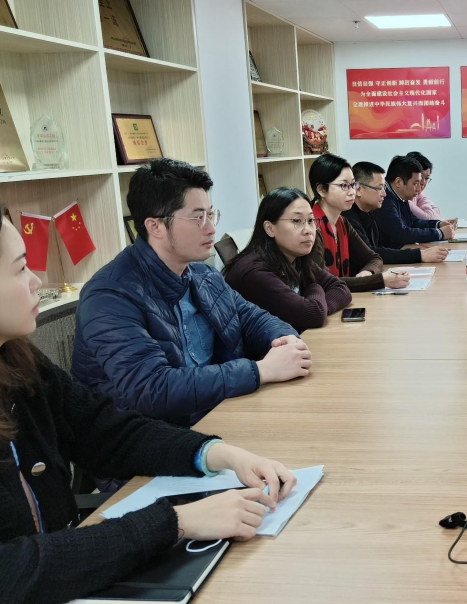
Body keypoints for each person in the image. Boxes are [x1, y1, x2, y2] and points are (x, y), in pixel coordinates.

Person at [0, 201, 299, 604]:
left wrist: (219, 455)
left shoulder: (19, 362)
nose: (36, 281)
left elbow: (108, 431)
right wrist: (175, 522)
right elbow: (13, 570)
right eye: (21, 269)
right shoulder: (112, 291)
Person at [73, 159, 310, 427]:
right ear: (155, 226)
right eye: (198, 217)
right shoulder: (109, 296)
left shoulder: (202, 274)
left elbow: (253, 319)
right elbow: (153, 389)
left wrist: (283, 340)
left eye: (211, 214)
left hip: (219, 415)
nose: (211, 228)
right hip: (144, 438)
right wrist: (260, 370)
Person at [224, 188, 352, 333]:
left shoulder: (294, 256)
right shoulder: (254, 272)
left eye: (311, 220)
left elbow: (341, 289)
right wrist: (315, 287)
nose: (308, 230)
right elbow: (313, 315)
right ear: (269, 228)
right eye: (297, 221)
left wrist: (319, 306)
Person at [309, 154, 410, 292]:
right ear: (321, 189)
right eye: (344, 185)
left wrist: (367, 273)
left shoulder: (342, 222)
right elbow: (323, 282)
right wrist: (377, 280)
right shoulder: (311, 227)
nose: (352, 192)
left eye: (353, 185)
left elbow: (374, 258)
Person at [345, 161, 449, 265]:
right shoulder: (348, 218)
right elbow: (370, 253)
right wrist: (420, 255)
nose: (384, 194)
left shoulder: (369, 212)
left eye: (384, 188)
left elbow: (413, 222)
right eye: (379, 188)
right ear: (358, 190)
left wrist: (438, 225)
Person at [374, 155, 457, 247]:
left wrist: (438, 224)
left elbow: (414, 222)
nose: (419, 188)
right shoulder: (384, 199)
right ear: (398, 182)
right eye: (415, 183)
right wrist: (439, 233)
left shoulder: (399, 195)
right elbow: (402, 234)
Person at [405, 151, 442, 221]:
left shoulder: (419, 194)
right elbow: (430, 219)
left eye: (427, 178)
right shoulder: (404, 200)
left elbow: (437, 213)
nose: (423, 182)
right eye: (421, 177)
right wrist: (426, 207)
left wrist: (423, 205)